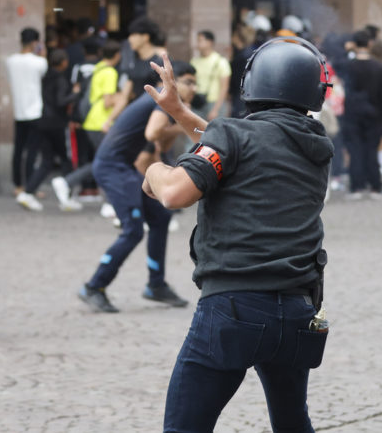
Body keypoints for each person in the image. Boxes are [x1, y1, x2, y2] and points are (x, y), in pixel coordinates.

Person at [141, 37, 333, 431]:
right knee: (293, 422)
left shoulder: (234, 137)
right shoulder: (316, 146)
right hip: (298, 312)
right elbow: (237, 143)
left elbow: (176, 192)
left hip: (234, 310)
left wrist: (153, 172)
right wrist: (178, 110)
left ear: (252, 84)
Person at [77, 63, 198, 314]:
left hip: (123, 167)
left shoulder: (161, 102)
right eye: (188, 81)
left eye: (195, 83)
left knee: (160, 218)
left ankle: (156, 285)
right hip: (113, 168)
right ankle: (94, 286)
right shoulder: (159, 101)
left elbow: (161, 143)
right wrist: (185, 121)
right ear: (170, 80)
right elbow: (153, 132)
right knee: (132, 230)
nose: (193, 88)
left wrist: (179, 117)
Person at [52, 40, 121, 208]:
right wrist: (121, 98)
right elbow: (107, 102)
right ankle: (109, 202)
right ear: (117, 55)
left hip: (91, 120)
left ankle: (68, 183)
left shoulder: (98, 68)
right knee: (108, 160)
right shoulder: (110, 72)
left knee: (104, 160)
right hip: (102, 121)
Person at [17, 49, 81, 211]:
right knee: (66, 160)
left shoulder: (45, 77)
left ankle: (28, 192)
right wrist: (75, 94)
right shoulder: (60, 79)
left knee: (47, 161)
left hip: (43, 121)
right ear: (63, 62)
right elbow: (61, 101)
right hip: (56, 124)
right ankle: (65, 197)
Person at [342, 30, 382, 199]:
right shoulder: (380, 67)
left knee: (355, 149)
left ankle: (356, 187)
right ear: (370, 44)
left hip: (353, 113)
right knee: (372, 149)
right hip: (374, 113)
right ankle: (375, 186)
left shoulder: (349, 66)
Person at [6, 27, 48, 193]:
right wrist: (43, 56)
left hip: (19, 111)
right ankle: (30, 186)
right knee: (32, 151)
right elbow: (43, 75)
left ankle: (18, 185)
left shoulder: (10, 60)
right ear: (34, 43)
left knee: (18, 150)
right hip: (35, 111)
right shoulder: (39, 62)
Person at [190, 30, 232, 121]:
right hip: (197, 102)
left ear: (209, 42)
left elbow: (224, 87)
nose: (198, 44)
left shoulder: (220, 62)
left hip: (214, 102)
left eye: (200, 40)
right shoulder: (194, 61)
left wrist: (216, 109)